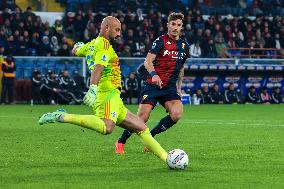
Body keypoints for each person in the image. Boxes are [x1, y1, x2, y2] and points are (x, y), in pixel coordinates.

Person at [38, 16, 168, 163]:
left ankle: (167, 158)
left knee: (141, 127)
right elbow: (99, 68)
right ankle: (62, 116)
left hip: (115, 98)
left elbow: (76, 51)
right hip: (107, 94)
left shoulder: (92, 44)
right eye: (117, 29)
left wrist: (77, 46)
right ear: (106, 27)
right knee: (107, 127)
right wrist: (92, 88)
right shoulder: (105, 46)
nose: (119, 34)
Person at [115, 12, 189, 154]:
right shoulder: (160, 41)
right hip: (153, 85)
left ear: (181, 27)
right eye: (173, 24)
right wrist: (154, 75)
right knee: (142, 118)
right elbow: (147, 61)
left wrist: (179, 87)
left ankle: (151, 139)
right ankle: (120, 141)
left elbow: (181, 67)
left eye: (178, 25)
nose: (175, 27)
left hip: (169, 87)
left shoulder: (185, 46)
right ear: (168, 25)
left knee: (177, 114)